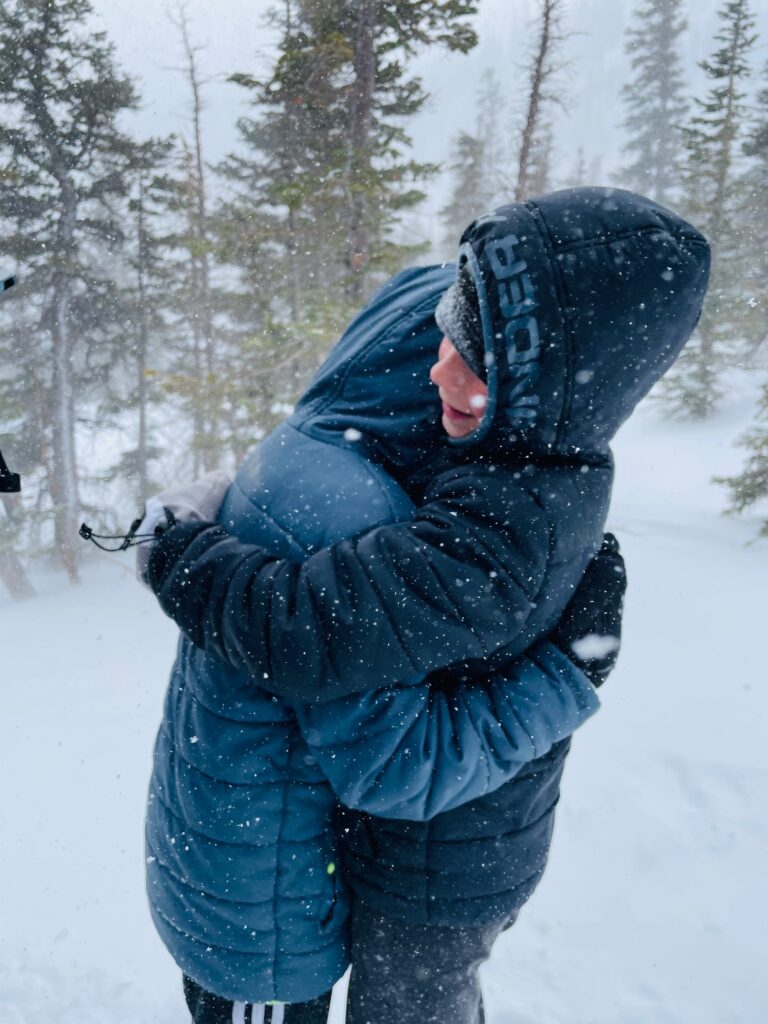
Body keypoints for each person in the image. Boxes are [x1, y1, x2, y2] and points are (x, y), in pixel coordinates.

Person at [142, 187, 709, 1023]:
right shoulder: (479, 461)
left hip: (440, 872)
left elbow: (309, 643)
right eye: (448, 322)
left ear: (554, 387)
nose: (439, 366)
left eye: (480, 359)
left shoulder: (495, 531)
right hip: (394, 866)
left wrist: (177, 548)